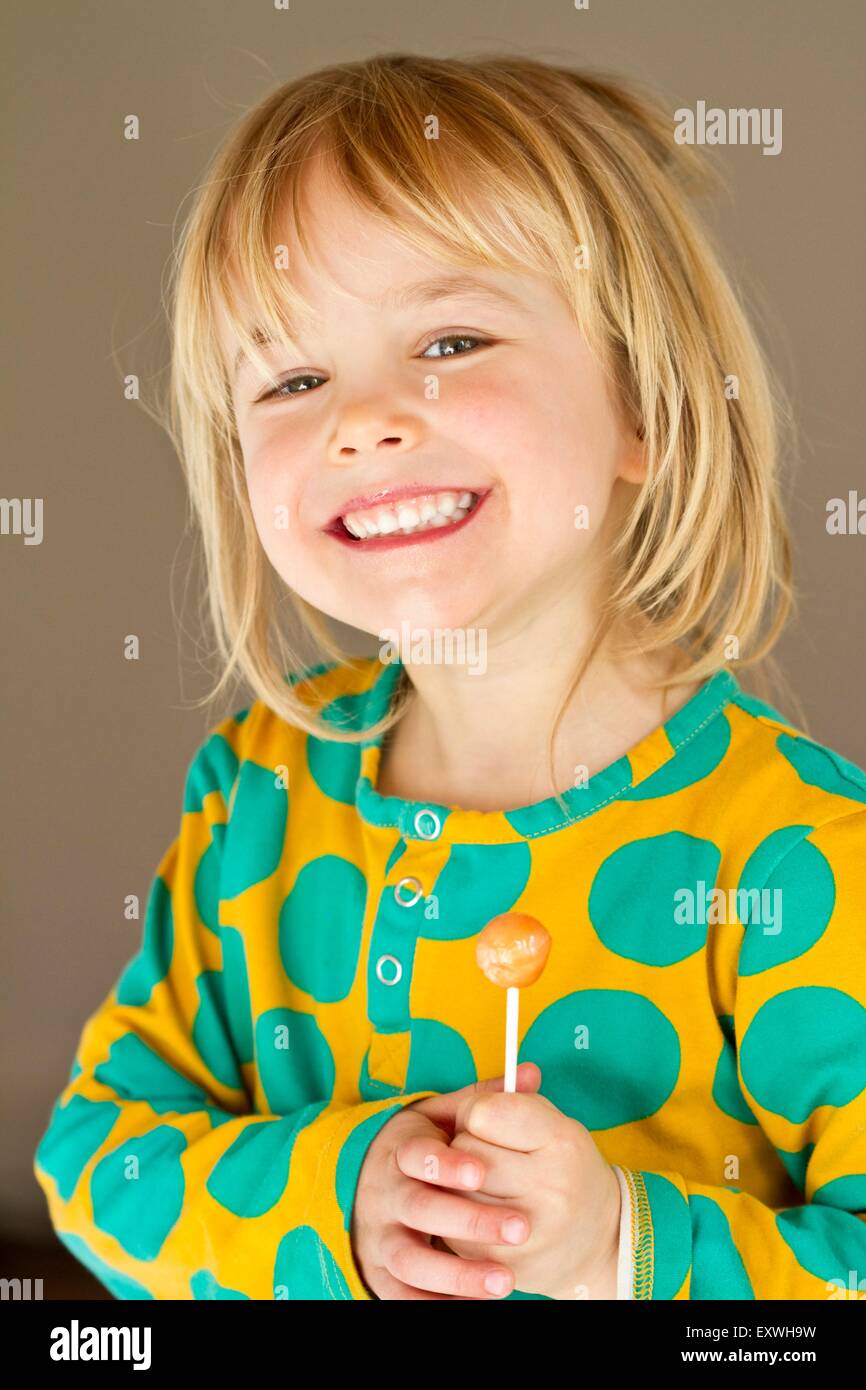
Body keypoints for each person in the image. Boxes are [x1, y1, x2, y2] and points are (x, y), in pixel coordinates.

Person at [34, 53, 866, 1300]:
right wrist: (337, 1200)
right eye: (293, 378)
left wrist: (622, 1251)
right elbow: (93, 1161)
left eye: (449, 338)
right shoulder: (253, 801)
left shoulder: (797, 856)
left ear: (642, 405)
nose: (359, 419)